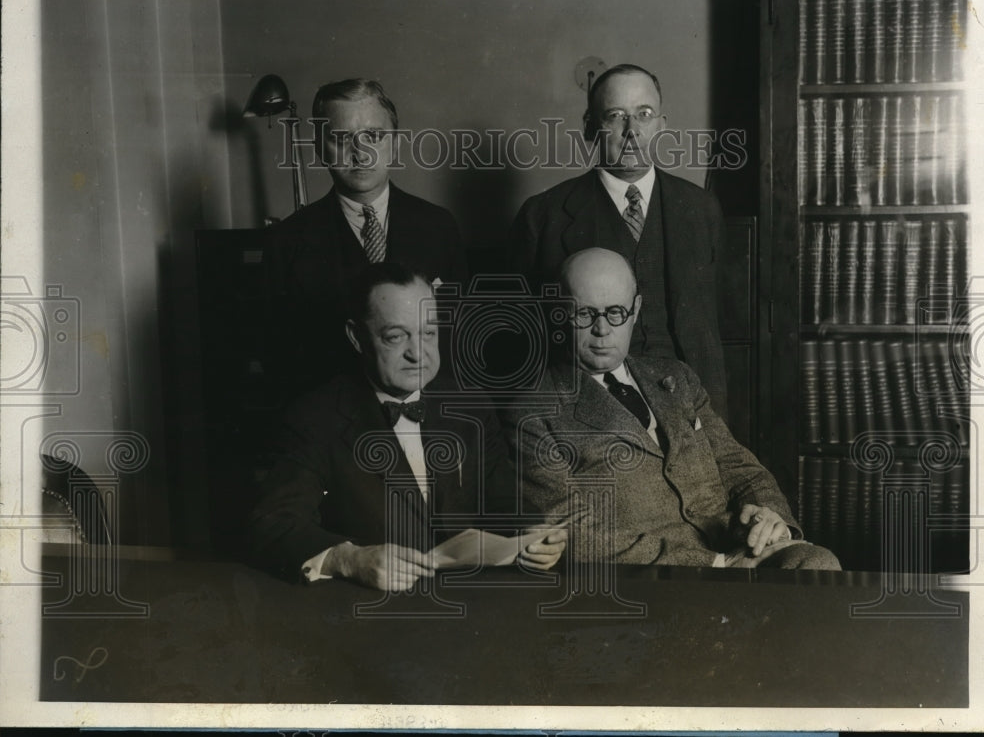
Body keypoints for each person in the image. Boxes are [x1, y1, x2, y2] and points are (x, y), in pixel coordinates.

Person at [500, 248, 839, 570]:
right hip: (658, 574)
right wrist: (715, 565)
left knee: (816, 565)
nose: (601, 330)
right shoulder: (534, 410)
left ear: (635, 310)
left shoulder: (675, 376)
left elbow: (737, 466)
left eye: (615, 312)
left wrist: (770, 517)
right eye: (584, 313)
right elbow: (572, 534)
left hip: (735, 543)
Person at [250, 262, 566, 590]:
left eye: (428, 333)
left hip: (472, 606)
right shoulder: (315, 418)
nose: (418, 353)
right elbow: (274, 526)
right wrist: (349, 560)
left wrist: (532, 533)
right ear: (356, 337)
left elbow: (504, 500)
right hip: (366, 616)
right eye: (396, 336)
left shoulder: (469, 404)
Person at [508, 64, 728, 420]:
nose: (632, 131)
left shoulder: (700, 209)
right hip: (588, 418)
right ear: (590, 127)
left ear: (662, 125)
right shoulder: (543, 216)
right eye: (616, 116)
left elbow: (714, 332)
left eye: (644, 115)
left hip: (693, 413)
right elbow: (520, 344)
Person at [267, 78, 469, 396]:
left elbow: (459, 343)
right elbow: (281, 362)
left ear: (395, 143)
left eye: (374, 136)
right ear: (319, 147)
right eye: (341, 139)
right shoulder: (287, 241)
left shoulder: (438, 227)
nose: (360, 154)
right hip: (329, 424)